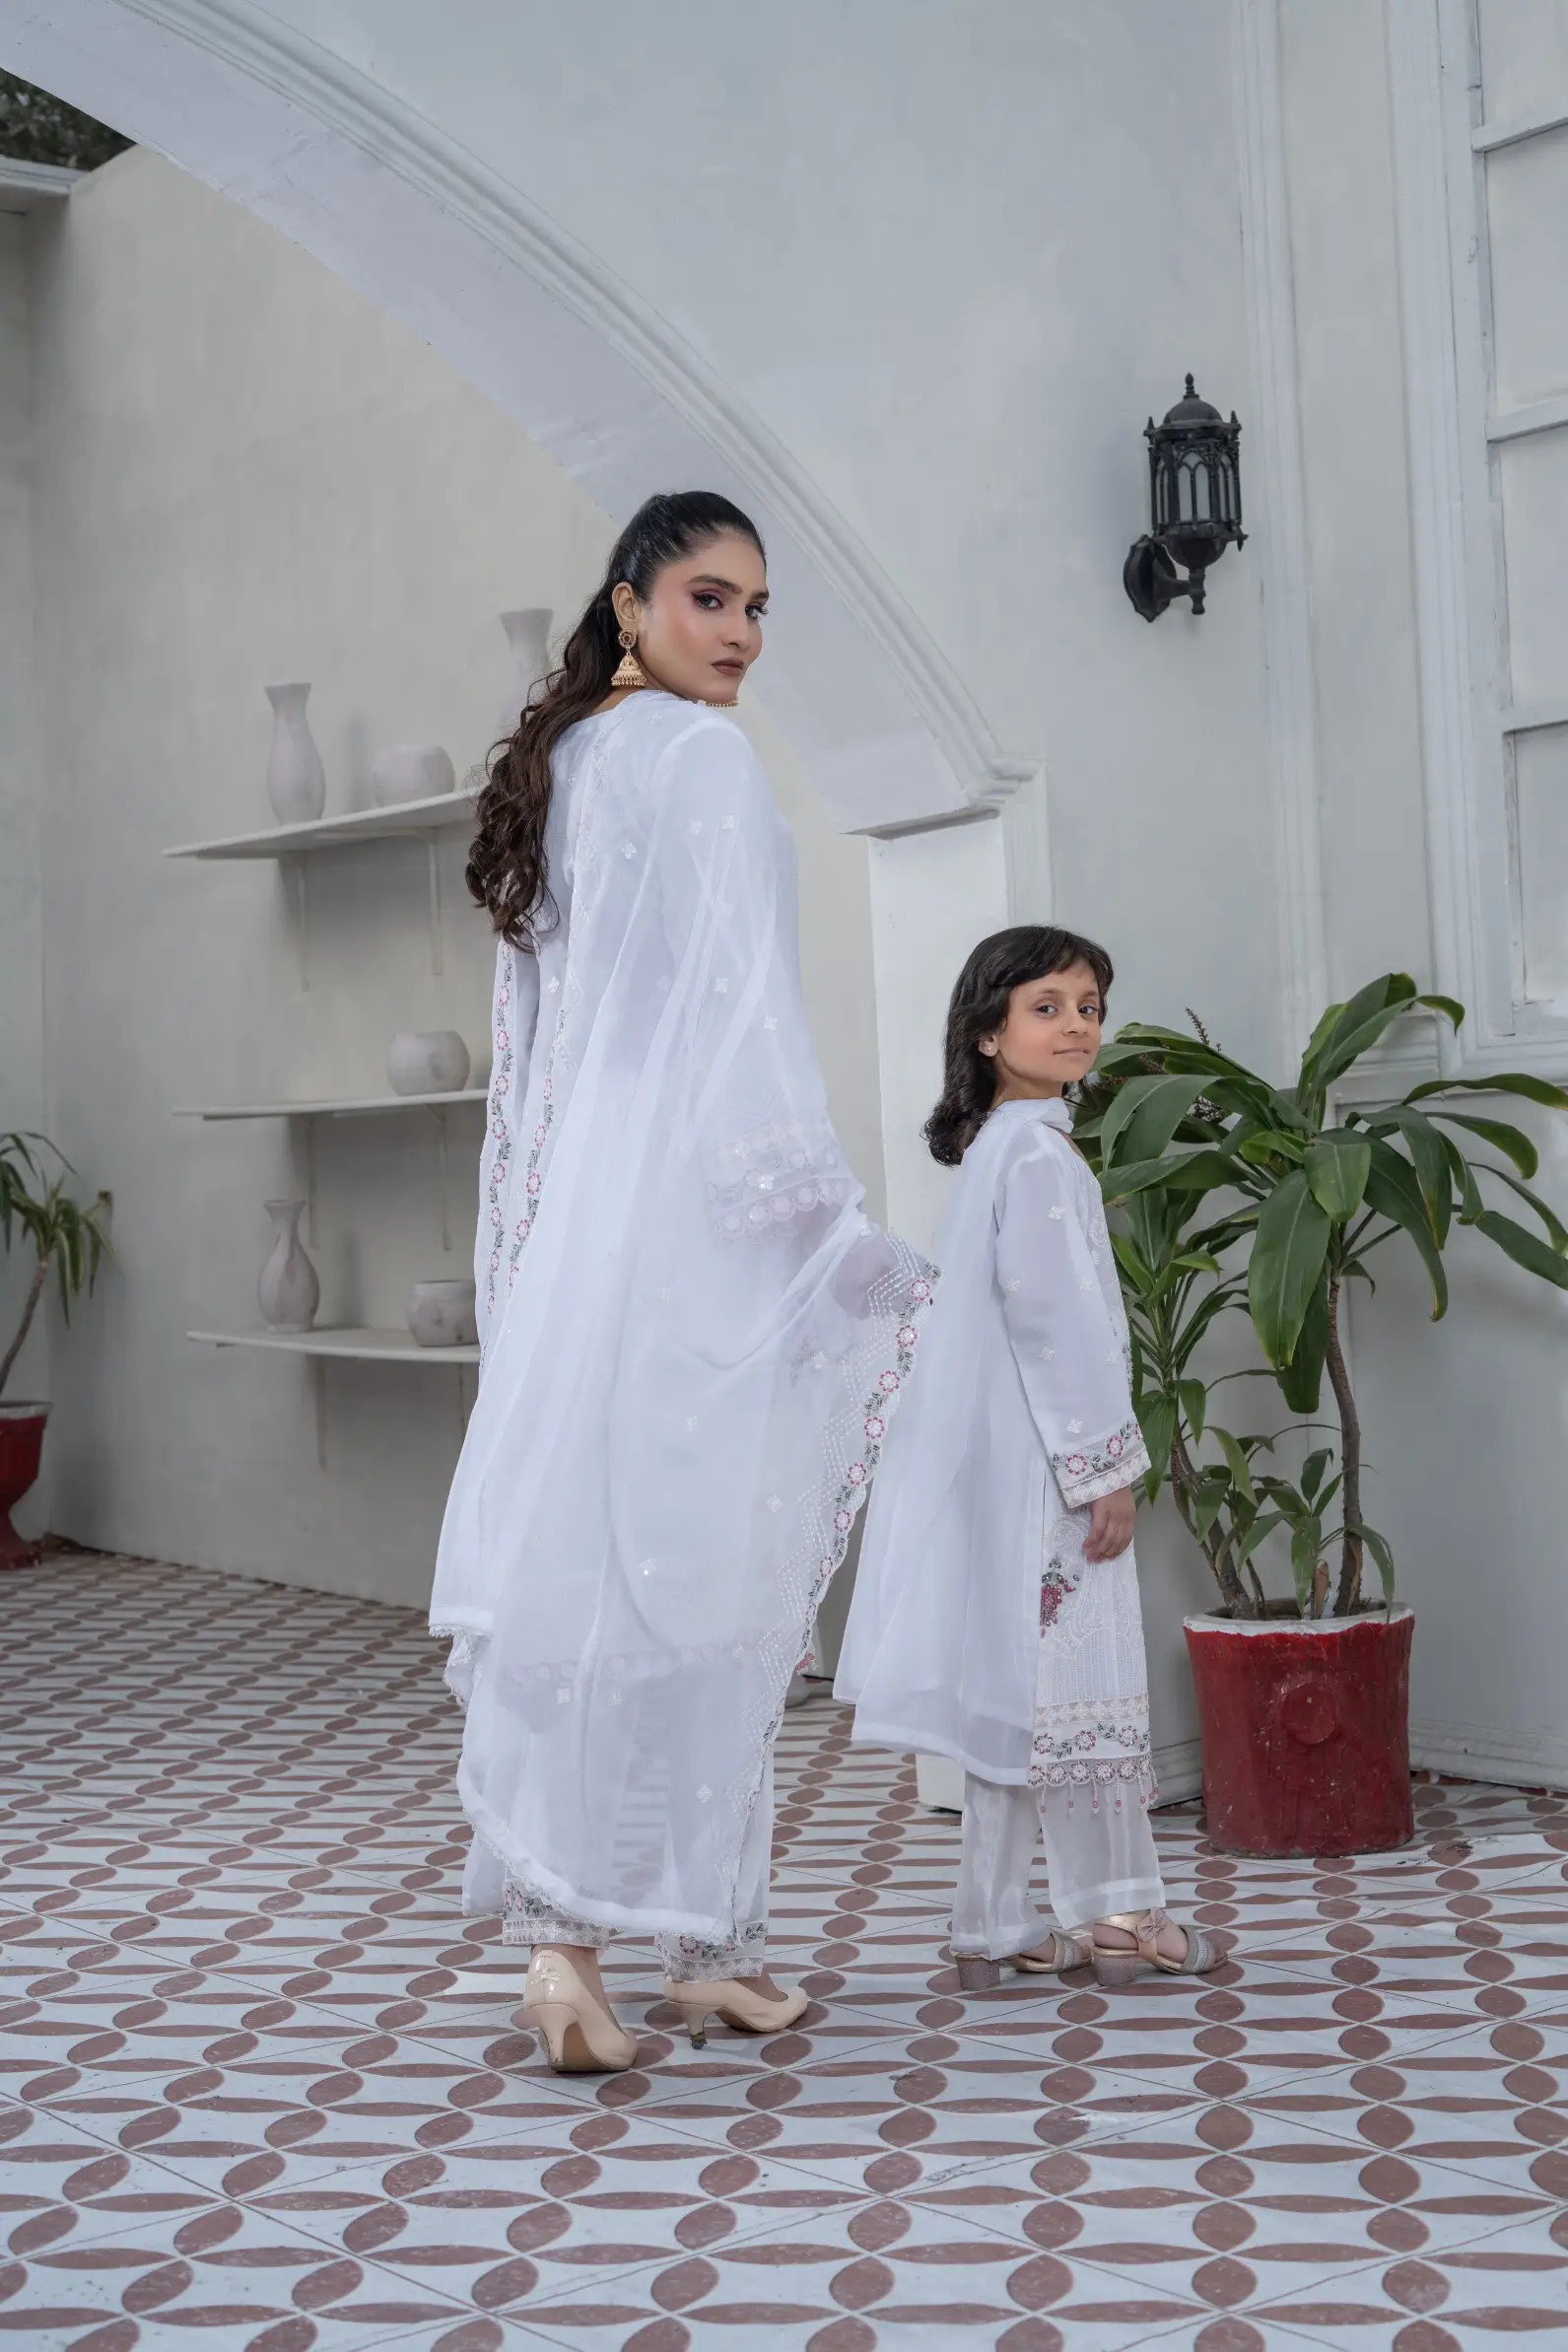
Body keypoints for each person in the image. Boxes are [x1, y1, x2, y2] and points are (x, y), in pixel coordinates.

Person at [432, 491, 932, 2071]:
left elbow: (532, 1055)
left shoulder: (563, 761)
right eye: (709, 597)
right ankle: (677, 1944)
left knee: (597, 1561)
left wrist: (523, 1250)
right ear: (628, 602)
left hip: (581, 1209)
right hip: (697, 1204)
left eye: (756, 606)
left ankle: (604, 1949)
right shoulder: (699, 758)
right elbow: (743, 1010)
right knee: (707, 1563)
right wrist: (821, 1218)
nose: (740, 633)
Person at [836, 926, 1219, 1986]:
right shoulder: (1037, 1155)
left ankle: (993, 1920)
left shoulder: (999, 1150)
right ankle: (1121, 1913)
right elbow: (1055, 1323)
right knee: (1078, 1688)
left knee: (1020, 1698)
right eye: (1046, 1007)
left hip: (1005, 1464)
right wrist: (1103, 1470)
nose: (1076, 1026)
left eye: (1088, 1007)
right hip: (1050, 1469)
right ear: (987, 1031)